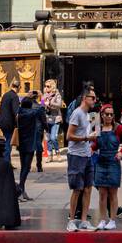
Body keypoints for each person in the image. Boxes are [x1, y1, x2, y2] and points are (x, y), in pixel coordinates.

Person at [66, 87, 96, 230]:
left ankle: (84, 220)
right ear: (85, 98)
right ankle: (72, 220)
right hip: (76, 155)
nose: (95, 100)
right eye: (93, 98)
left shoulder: (88, 115)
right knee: (77, 189)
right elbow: (69, 136)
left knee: (88, 188)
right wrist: (86, 138)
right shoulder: (77, 113)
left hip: (87, 154)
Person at [16, 95, 43, 200]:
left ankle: (22, 189)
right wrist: (40, 98)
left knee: (24, 167)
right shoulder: (32, 113)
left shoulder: (19, 113)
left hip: (21, 143)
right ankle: (20, 189)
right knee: (26, 168)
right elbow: (41, 108)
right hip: (30, 143)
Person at [0, 79, 21, 163]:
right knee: (8, 143)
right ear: (19, 87)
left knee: (7, 141)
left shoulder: (5, 95)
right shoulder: (14, 96)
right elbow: (16, 112)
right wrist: (19, 125)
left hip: (2, 122)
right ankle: (6, 162)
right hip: (9, 124)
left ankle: (8, 162)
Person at [42, 79, 64, 160]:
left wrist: (50, 103)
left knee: (53, 137)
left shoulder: (57, 94)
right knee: (48, 138)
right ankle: (50, 155)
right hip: (47, 119)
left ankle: (58, 153)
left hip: (55, 119)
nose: (46, 88)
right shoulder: (44, 95)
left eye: (48, 86)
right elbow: (41, 105)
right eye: (45, 86)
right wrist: (43, 104)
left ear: (52, 86)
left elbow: (59, 105)